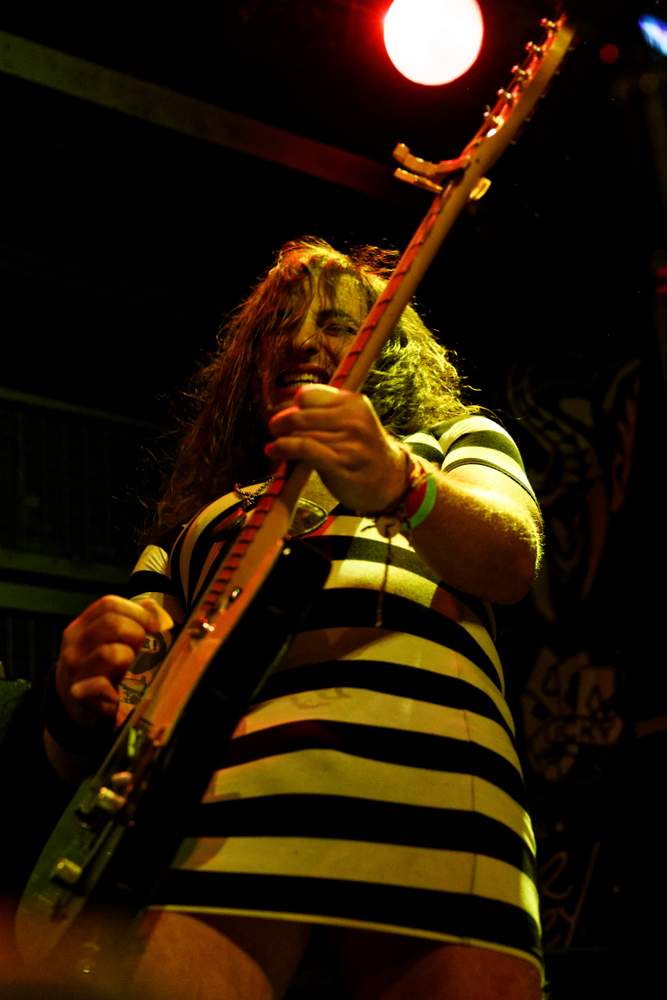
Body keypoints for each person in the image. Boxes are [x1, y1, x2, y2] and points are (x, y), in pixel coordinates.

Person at [41, 237, 545, 999]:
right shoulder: (205, 518)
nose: (303, 341)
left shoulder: (449, 442)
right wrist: (78, 691)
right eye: (281, 327)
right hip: (225, 817)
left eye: (338, 324)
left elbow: (511, 562)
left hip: (440, 803)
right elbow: (112, 725)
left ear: (390, 352)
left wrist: (399, 481)